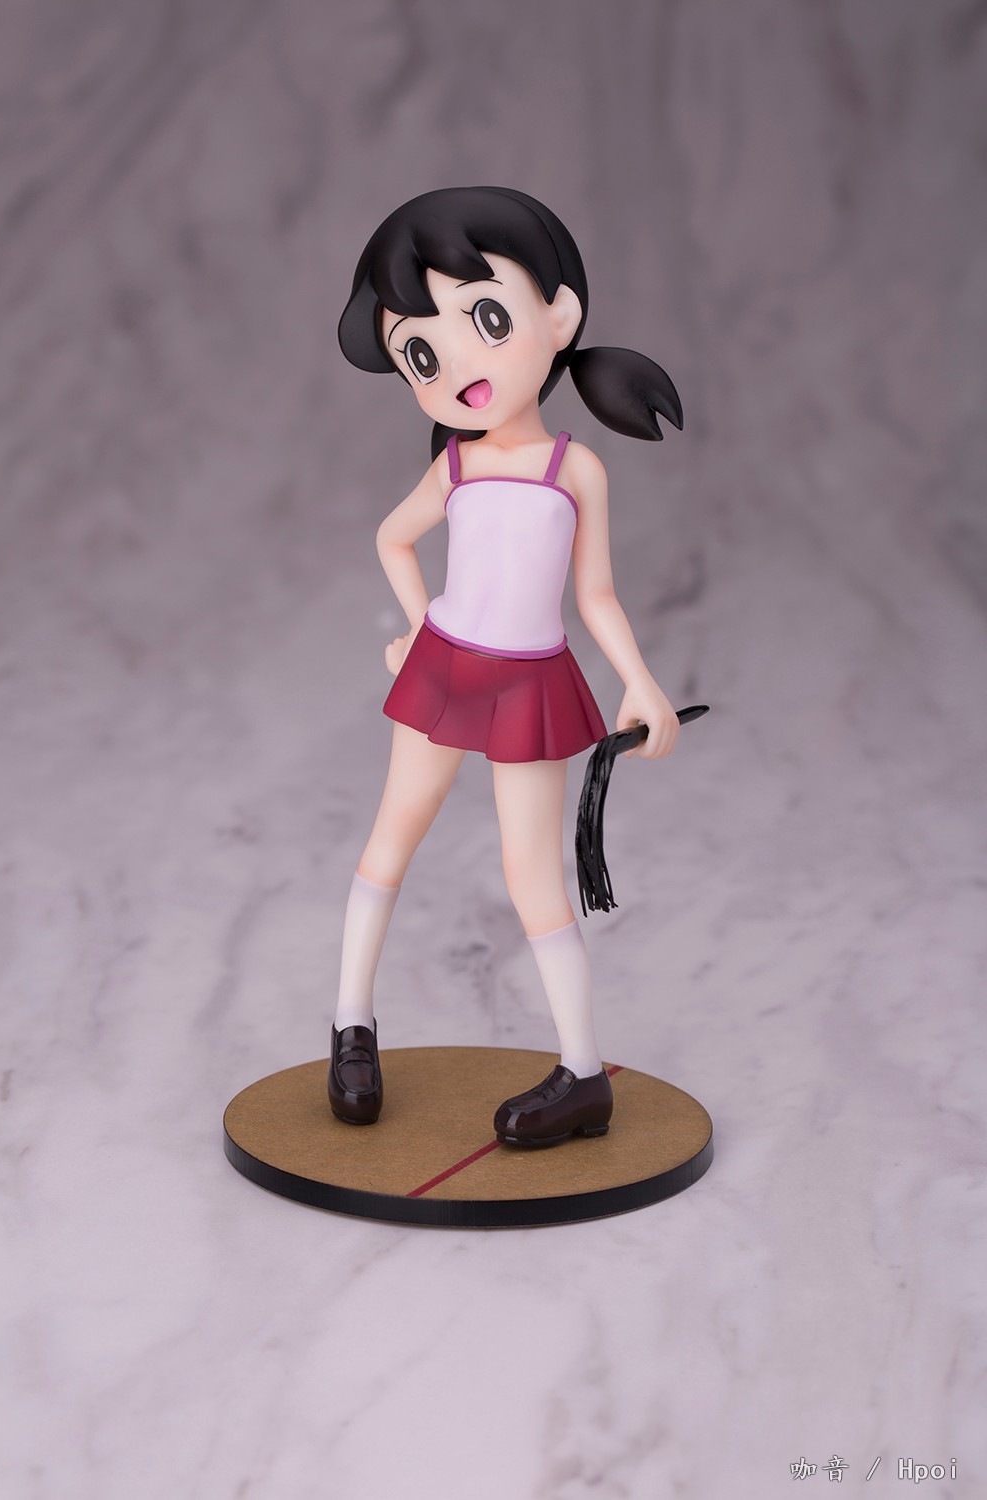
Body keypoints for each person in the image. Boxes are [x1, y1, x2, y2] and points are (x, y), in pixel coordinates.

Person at [328, 186, 683, 1147]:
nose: (456, 367)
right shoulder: (453, 468)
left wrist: (640, 681)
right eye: (421, 354)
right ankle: (352, 1024)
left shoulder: (576, 469)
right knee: (392, 839)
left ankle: (582, 1073)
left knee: (532, 876)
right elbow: (392, 538)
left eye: (486, 320)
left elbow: (596, 595)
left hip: (530, 683)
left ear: (559, 316)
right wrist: (417, 630)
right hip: (444, 669)